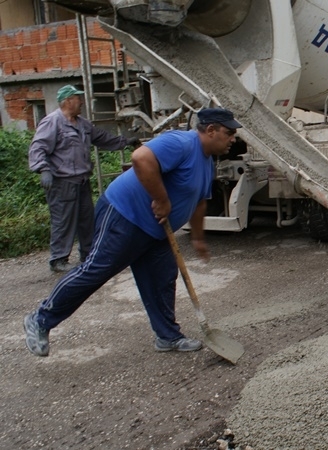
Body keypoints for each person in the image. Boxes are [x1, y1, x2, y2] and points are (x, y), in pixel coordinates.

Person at [22, 107, 242, 357]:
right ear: (211, 130)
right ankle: (40, 319)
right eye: (229, 132)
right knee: (96, 270)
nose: (233, 138)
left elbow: (200, 201)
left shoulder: (207, 161)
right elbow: (141, 158)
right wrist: (161, 199)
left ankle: (167, 336)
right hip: (125, 215)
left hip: (157, 229)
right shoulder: (181, 143)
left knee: (162, 278)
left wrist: (199, 238)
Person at [28, 85, 139, 272]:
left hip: (81, 180)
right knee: (63, 220)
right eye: (78, 98)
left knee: (87, 220)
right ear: (68, 100)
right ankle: (58, 259)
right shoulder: (52, 122)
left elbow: (102, 138)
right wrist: (42, 169)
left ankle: (88, 254)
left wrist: (125, 142)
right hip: (62, 182)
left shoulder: (82, 124)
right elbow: (38, 147)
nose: (81, 102)